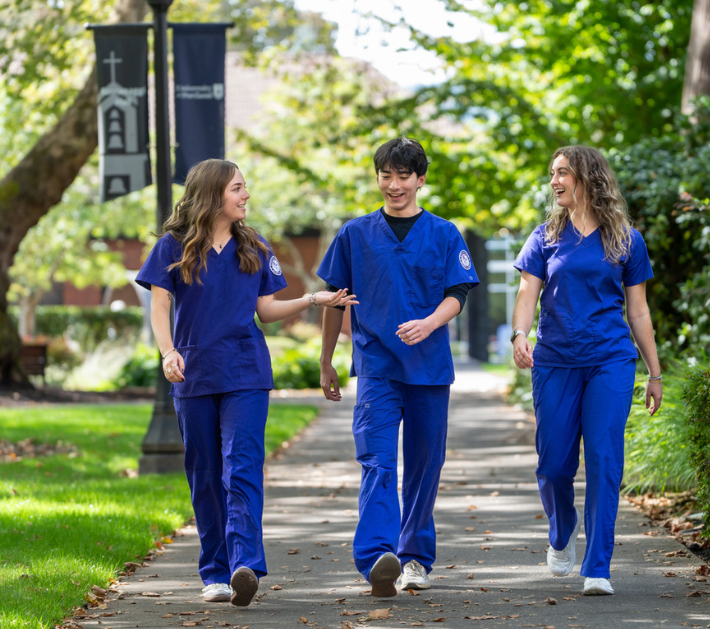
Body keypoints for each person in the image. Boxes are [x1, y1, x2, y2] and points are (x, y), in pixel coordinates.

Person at [135, 159, 356, 607]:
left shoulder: (254, 245)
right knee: (205, 474)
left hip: (246, 371)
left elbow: (266, 310)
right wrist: (167, 352)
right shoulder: (172, 245)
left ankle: (244, 565)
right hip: (194, 372)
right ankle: (214, 572)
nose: (245, 195)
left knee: (242, 466)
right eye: (238, 188)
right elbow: (160, 307)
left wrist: (314, 298)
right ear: (214, 193)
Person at [317, 137, 478, 597]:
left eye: (403, 176)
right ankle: (376, 556)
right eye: (386, 175)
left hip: (429, 368)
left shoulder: (445, 233)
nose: (394, 185)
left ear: (420, 179)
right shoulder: (354, 234)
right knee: (378, 461)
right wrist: (326, 360)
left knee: (426, 467)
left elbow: (458, 295)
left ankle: (414, 558)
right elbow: (335, 300)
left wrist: (429, 323)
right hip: (376, 367)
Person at [511, 145, 662, 596]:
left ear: (587, 178)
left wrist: (654, 372)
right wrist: (520, 334)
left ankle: (598, 565)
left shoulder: (626, 240)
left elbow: (638, 312)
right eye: (552, 173)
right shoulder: (544, 237)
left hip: (610, 360)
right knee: (554, 464)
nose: (554, 181)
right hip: (556, 360)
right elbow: (526, 295)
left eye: (562, 173)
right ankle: (562, 532)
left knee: (603, 458)